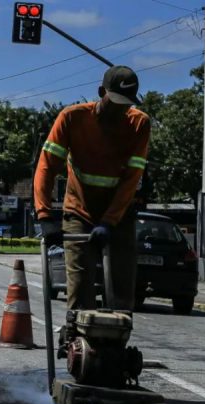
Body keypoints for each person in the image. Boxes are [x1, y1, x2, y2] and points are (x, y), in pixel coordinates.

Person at [33, 65, 151, 338]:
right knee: (81, 280)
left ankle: (116, 343)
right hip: (79, 212)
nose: (121, 111)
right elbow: (46, 167)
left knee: (122, 284)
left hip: (119, 214)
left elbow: (132, 179)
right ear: (101, 93)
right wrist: (44, 215)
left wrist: (110, 221)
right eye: (115, 103)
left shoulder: (138, 124)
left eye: (127, 104)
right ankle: (75, 335)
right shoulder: (72, 118)